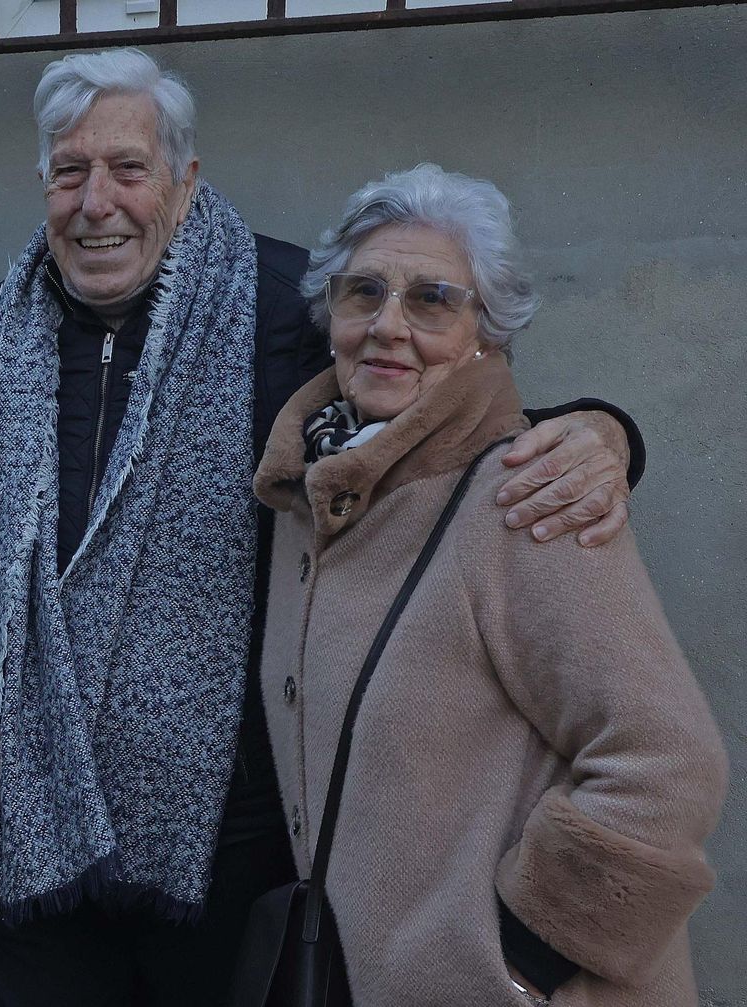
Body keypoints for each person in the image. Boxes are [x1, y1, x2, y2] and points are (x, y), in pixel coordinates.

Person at [0, 48, 641, 1005]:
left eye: (129, 170)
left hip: (228, 832)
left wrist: (604, 430)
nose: (96, 201)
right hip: (29, 830)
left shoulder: (284, 304)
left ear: (184, 181)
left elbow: (444, 414)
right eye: (69, 171)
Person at [253, 163, 726, 1006]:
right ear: (330, 319)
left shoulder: (528, 493)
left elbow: (666, 763)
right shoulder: (312, 499)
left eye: (432, 298)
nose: (389, 326)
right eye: (365, 293)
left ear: (488, 333)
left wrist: (518, 961)